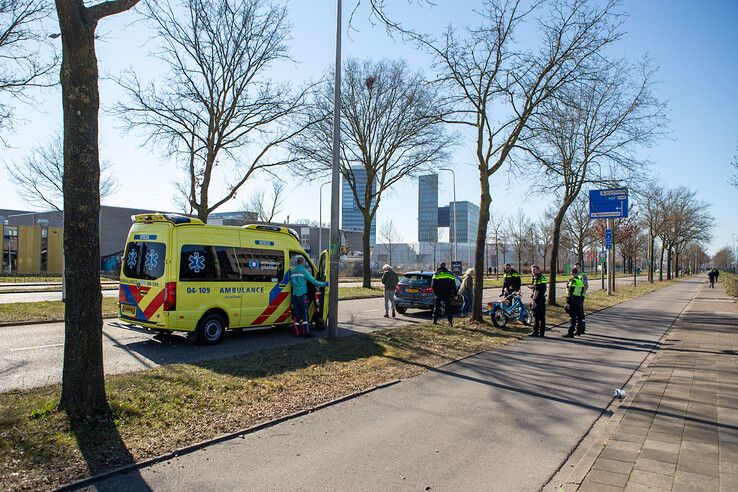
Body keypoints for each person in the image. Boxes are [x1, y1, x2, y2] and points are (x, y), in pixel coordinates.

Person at [290, 256, 328, 337]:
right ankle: (306, 332)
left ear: (297, 262)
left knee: (296, 314)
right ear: (303, 262)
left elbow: (293, 283)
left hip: (294, 295)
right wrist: (324, 284)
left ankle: (297, 332)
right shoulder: (304, 271)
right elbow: (313, 281)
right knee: (305, 314)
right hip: (302, 295)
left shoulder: (293, 271)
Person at [432, 262, 457, 326]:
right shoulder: (450, 274)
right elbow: (453, 285)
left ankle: (434, 321)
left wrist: (435, 293)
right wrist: (455, 294)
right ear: (445, 266)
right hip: (448, 294)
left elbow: (433, 285)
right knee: (448, 308)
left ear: (440, 266)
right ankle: (450, 322)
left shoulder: (436, 274)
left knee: (437, 307)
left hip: (439, 294)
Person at [563, 267, 586, 338]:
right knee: (578, 316)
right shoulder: (580, 281)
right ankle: (579, 330)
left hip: (572, 300)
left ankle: (570, 332)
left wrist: (568, 301)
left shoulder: (572, 281)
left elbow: (570, 291)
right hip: (578, 299)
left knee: (572, 317)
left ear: (571, 273)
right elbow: (582, 290)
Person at [530, 265, 548, 337]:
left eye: (534, 270)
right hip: (542, 298)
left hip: (538, 299)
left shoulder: (537, 278)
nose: (533, 272)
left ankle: (535, 331)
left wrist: (534, 300)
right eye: (532, 270)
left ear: (538, 270)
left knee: (536, 316)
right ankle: (542, 333)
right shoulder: (543, 277)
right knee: (542, 316)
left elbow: (537, 290)